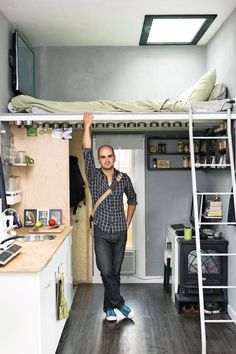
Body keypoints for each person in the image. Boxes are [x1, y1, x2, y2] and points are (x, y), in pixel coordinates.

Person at [82, 112, 137, 322]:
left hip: (120, 233)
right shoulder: (93, 175)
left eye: (109, 156)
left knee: (114, 273)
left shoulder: (124, 178)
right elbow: (85, 150)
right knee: (105, 271)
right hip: (102, 233)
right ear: (99, 159)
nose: (106, 159)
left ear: (114, 158)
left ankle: (109, 309)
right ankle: (121, 304)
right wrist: (87, 126)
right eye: (102, 156)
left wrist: (127, 222)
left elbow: (133, 199)